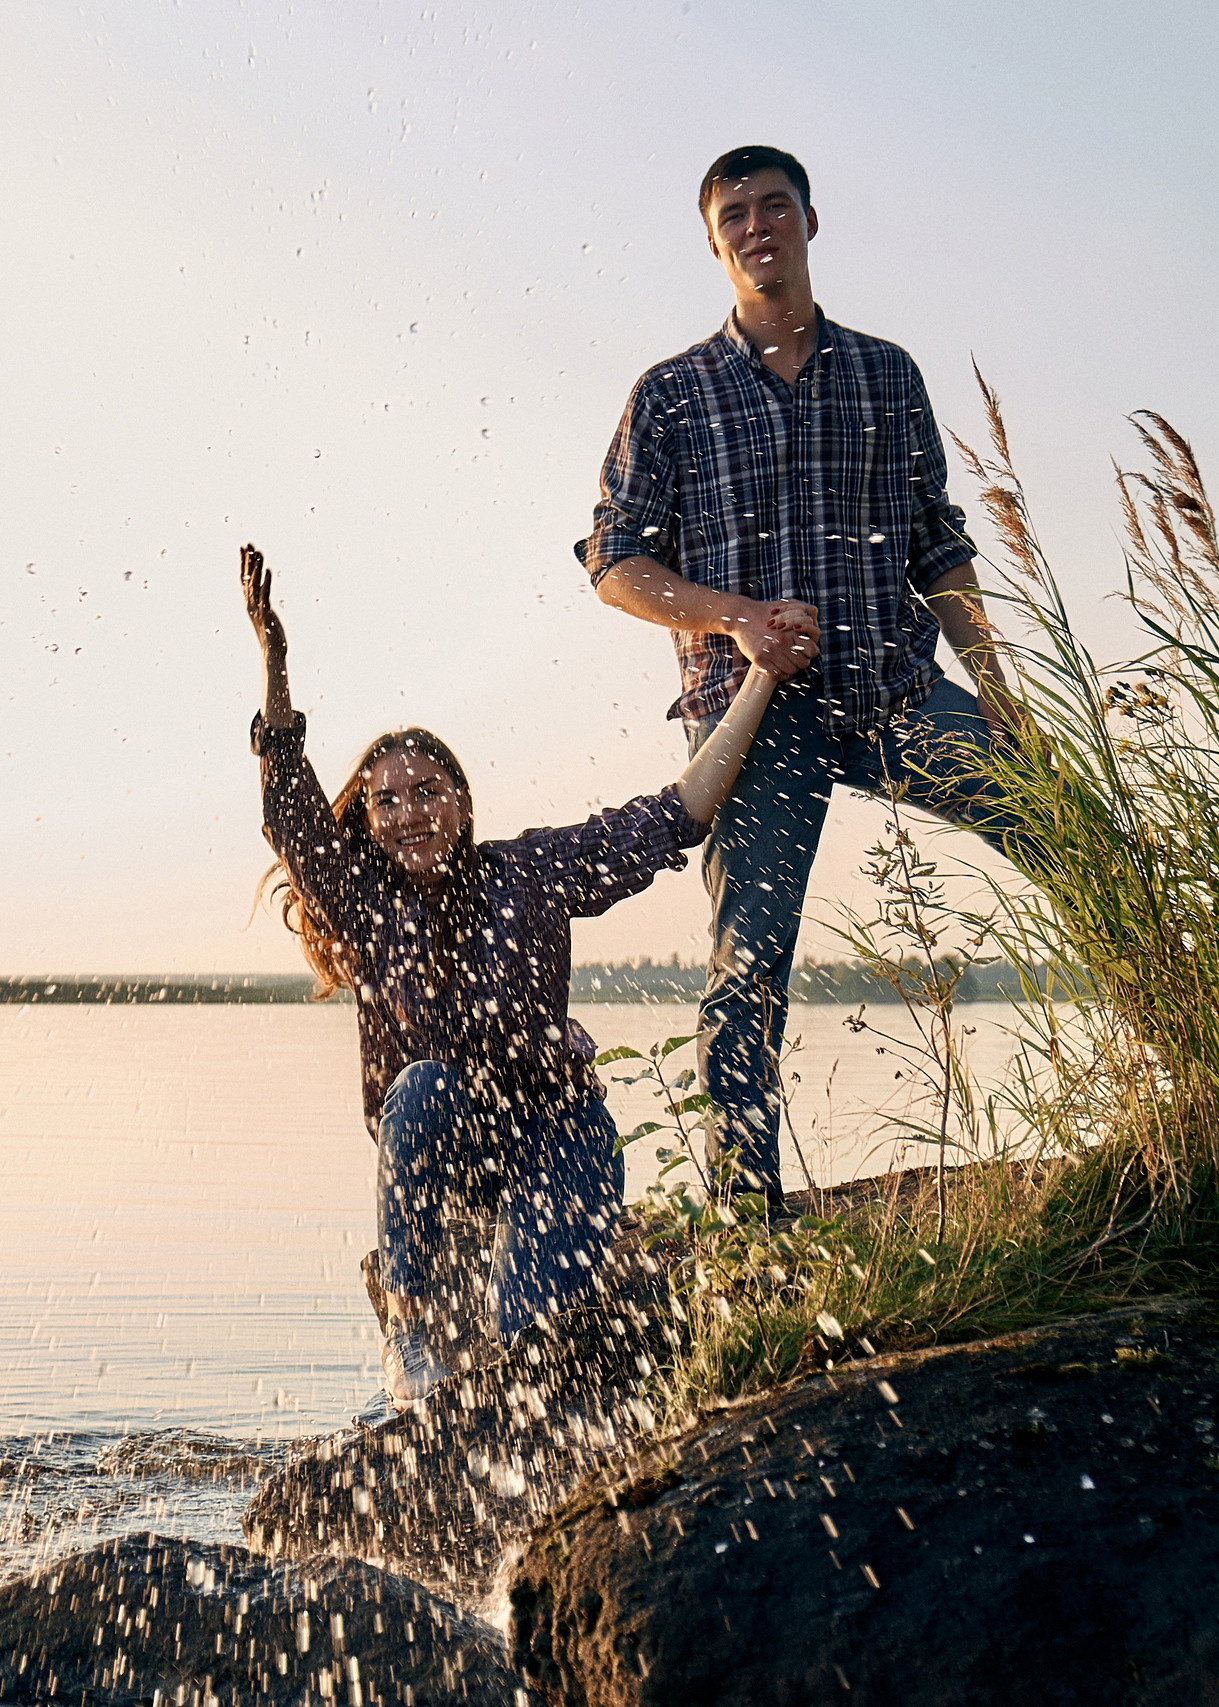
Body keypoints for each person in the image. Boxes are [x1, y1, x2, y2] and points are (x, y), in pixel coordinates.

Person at [577, 143, 1025, 1205]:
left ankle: (1186, 1079)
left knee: (1063, 823)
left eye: (773, 207)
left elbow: (936, 543)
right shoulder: (672, 395)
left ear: (811, 224)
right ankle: (744, 1212)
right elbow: (613, 563)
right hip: (755, 720)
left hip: (896, 695)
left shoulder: (885, 374)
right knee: (751, 962)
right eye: (733, 218)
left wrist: (996, 683)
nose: (756, 229)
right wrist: (735, 621)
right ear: (714, 242)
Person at [240, 542, 782, 1403]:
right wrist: (276, 663)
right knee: (419, 1087)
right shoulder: (365, 898)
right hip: (445, 1146)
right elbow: (289, 809)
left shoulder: (530, 871)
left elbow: (679, 812)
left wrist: (757, 678)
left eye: (428, 790)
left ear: (461, 798)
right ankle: (411, 1326)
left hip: (555, 1132)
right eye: (386, 800)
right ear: (370, 821)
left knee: (529, 1344)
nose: (409, 812)